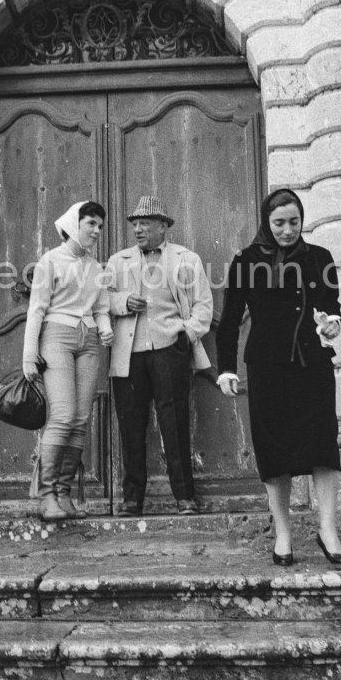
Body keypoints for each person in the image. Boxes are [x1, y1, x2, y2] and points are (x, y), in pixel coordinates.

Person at [216, 188, 341, 566]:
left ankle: (328, 529)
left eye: (294, 222)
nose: (287, 230)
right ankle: (284, 534)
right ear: (266, 222)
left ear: (302, 220)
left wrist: (332, 324)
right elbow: (229, 322)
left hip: (313, 365)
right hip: (267, 368)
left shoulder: (320, 258)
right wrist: (226, 368)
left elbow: (332, 306)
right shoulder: (245, 261)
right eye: (279, 223)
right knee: (275, 453)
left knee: (323, 445)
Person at [106, 195, 213, 517]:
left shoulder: (186, 259)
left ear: (163, 226)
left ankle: (184, 497)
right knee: (131, 425)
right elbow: (102, 300)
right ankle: (132, 500)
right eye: (135, 224)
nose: (138, 229)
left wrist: (187, 334)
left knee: (175, 422)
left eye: (145, 223)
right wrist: (123, 302)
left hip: (170, 347)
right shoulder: (118, 261)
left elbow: (203, 305)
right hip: (129, 353)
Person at [22, 201, 113, 521]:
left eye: (100, 226)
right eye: (91, 224)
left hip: (88, 342)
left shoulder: (96, 267)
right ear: (74, 223)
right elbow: (36, 309)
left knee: (80, 418)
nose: (97, 231)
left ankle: (64, 494)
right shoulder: (51, 260)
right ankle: (46, 496)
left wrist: (104, 329)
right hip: (56, 338)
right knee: (62, 415)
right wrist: (29, 354)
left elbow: (101, 307)